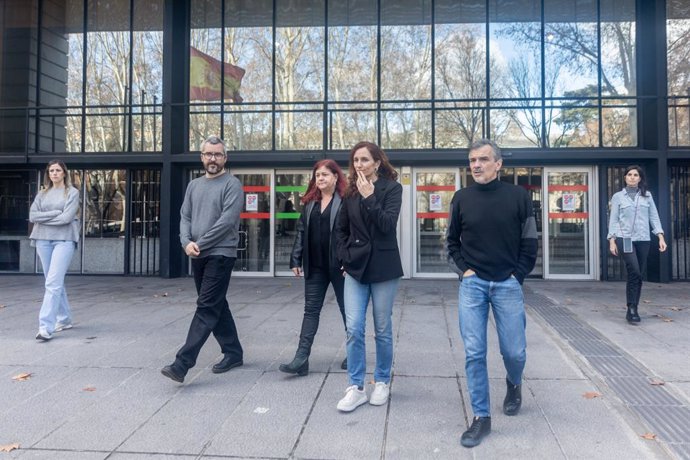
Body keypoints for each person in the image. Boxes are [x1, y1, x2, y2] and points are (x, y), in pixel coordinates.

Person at [446, 139, 538, 448]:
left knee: (515, 351)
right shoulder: (461, 198)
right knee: (474, 353)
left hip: (507, 284)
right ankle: (481, 418)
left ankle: (514, 383)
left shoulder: (518, 197)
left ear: (498, 164)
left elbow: (530, 241)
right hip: (473, 284)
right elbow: (451, 243)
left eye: (483, 159)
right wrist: (464, 271)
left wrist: (518, 275)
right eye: (472, 160)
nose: (476, 164)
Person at [161, 135, 244, 383]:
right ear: (202, 157)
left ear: (225, 158)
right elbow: (184, 216)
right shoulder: (194, 186)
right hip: (197, 253)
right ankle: (233, 352)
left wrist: (200, 243)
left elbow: (227, 221)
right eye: (208, 154)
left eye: (218, 154)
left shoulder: (232, 184)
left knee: (206, 306)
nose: (213, 158)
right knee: (215, 303)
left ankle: (182, 363)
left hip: (221, 253)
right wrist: (186, 242)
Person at [335, 141, 403, 412]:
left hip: (384, 268)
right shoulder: (349, 192)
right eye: (356, 160)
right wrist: (344, 257)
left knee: (383, 328)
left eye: (364, 160)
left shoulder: (392, 189)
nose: (359, 165)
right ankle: (356, 387)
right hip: (355, 268)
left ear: (377, 162)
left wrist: (370, 196)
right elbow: (340, 231)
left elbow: (387, 225)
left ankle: (382, 380)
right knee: (354, 328)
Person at [279, 160, 348, 376]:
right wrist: (295, 259)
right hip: (315, 266)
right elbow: (301, 231)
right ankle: (301, 358)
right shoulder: (310, 203)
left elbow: (353, 233)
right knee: (310, 311)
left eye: (325, 175)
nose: (320, 178)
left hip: (340, 267)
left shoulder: (346, 201)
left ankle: (354, 352)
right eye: (317, 175)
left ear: (336, 177)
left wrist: (350, 260)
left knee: (349, 311)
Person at [607, 165, 666, 323]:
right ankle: (631, 308)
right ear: (625, 177)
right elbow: (613, 219)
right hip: (624, 238)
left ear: (640, 178)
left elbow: (654, 217)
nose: (632, 177)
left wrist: (660, 236)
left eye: (636, 175)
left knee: (637, 274)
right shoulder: (618, 197)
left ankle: (634, 307)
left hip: (643, 239)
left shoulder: (647, 196)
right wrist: (612, 240)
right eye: (629, 174)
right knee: (635, 271)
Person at [29, 160, 80, 341]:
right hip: (42, 239)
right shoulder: (42, 194)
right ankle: (64, 319)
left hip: (64, 240)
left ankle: (45, 327)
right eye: (51, 170)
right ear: (48, 174)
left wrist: (43, 219)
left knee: (52, 283)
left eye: (58, 170)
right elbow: (32, 216)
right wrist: (53, 213)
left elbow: (66, 218)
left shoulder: (72, 193)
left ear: (64, 173)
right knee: (53, 282)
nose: (55, 173)